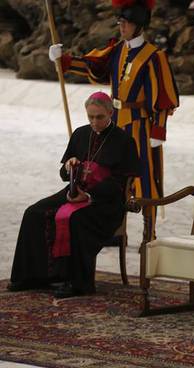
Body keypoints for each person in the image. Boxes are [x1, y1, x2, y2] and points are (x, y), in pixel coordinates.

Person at [48, 0, 179, 235]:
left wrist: (158, 131)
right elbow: (95, 65)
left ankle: (149, 231)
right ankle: (117, 228)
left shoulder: (153, 56)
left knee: (144, 177)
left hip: (139, 126)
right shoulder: (119, 49)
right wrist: (64, 59)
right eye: (120, 23)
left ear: (139, 25)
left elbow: (162, 98)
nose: (122, 27)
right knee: (111, 175)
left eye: (126, 23)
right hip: (115, 122)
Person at [7, 91, 139, 298]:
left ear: (110, 113)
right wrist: (69, 167)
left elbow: (120, 185)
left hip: (105, 202)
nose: (94, 122)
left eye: (99, 117)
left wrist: (89, 196)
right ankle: (32, 276)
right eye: (90, 117)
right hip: (73, 191)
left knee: (76, 219)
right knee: (33, 213)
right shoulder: (80, 134)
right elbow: (62, 174)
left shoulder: (124, 141)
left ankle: (78, 283)